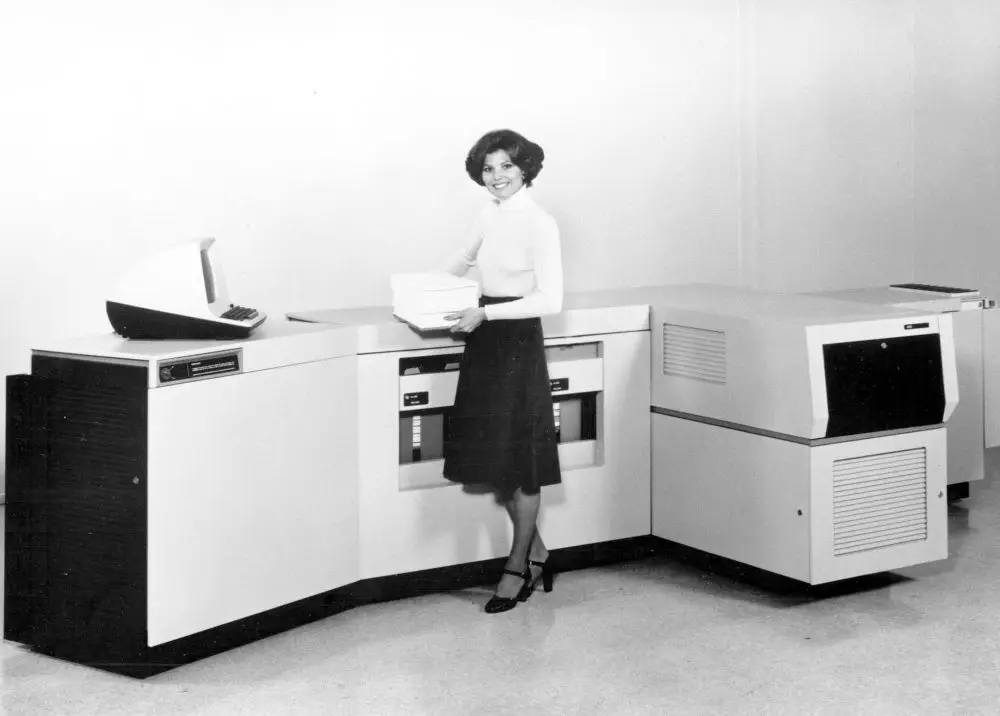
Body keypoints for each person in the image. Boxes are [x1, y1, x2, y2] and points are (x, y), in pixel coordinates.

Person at [442, 128, 563, 614]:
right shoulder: (488, 213)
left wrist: (485, 314)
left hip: (514, 339)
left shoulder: (540, 222)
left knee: (521, 463)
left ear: (525, 168)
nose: (497, 177)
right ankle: (538, 554)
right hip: (485, 339)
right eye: (489, 168)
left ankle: (516, 567)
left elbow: (550, 300)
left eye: (507, 167)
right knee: (497, 460)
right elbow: (460, 260)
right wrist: (420, 293)